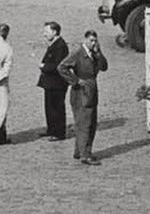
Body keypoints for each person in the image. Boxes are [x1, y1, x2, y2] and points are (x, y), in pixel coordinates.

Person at [59, 29, 108, 165]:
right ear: (85, 40)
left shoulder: (94, 54)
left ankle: (78, 151)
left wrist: (99, 53)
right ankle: (85, 154)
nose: (93, 43)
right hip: (81, 92)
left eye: (95, 41)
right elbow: (62, 67)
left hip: (92, 90)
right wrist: (75, 80)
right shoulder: (78, 53)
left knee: (89, 122)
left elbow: (104, 67)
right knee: (85, 124)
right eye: (91, 40)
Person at [37, 21, 69, 139]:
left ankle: (59, 133)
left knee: (57, 108)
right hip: (51, 83)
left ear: (55, 32)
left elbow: (59, 65)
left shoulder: (60, 46)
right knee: (50, 107)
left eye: (46, 31)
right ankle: (51, 129)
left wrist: (43, 66)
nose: (44, 34)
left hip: (57, 83)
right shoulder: (54, 44)